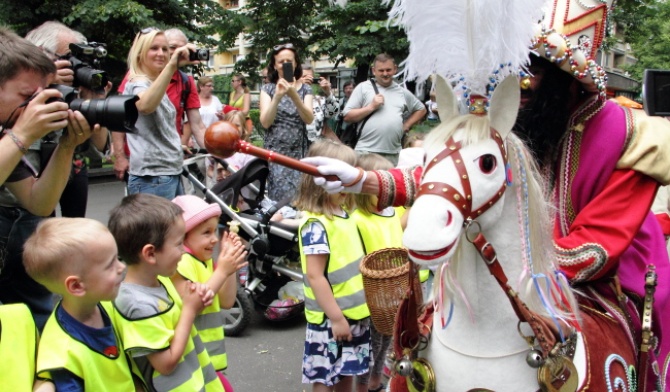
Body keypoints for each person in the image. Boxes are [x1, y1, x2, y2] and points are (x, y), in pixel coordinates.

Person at [305, 52, 670, 392]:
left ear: (567, 77)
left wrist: (514, 264)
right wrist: (363, 180)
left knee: (645, 332)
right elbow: (455, 176)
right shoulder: (516, 119)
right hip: (494, 256)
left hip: (601, 272)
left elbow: (600, 242)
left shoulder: (626, 131)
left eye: (531, 73)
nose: (517, 84)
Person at [0, 27, 100, 331]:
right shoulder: (14, 134)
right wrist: (23, 134)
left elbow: (39, 202)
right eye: (27, 96)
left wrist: (67, 145)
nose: (35, 106)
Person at [108, 193, 224, 392]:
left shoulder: (162, 281)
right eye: (179, 244)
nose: (183, 250)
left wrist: (196, 294)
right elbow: (165, 363)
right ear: (150, 253)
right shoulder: (137, 304)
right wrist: (189, 309)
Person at [22, 218, 136, 391]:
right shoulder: (63, 356)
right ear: (76, 286)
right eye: (110, 265)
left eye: (118, 258)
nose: (122, 266)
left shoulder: (104, 304)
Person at [293, 139, 371, 392]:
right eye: (339, 178)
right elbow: (315, 276)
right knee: (325, 376)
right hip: (331, 318)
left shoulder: (344, 214)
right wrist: (336, 318)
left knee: (347, 371)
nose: (346, 185)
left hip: (354, 312)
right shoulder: (316, 224)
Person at [24, 21, 111, 219]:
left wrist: (95, 101)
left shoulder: (74, 89)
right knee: (35, 225)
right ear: (39, 52)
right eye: (66, 58)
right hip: (29, 174)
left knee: (73, 230)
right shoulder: (15, 85)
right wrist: (43, 82)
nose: (73, 65)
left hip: (72, 164)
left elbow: (100, 144)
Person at [113, 28, 209, 182]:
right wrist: (119, 156)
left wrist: (217, 150)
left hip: (170, 164)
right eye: (172, 48)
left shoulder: (185, 81)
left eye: (181, 49)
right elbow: (119, 118)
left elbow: (197, 125)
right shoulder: (137, 79)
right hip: (146, 168)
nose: (175, 53)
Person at [171, 195, 247, 387]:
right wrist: (222, 271)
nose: (213, 239)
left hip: (210, 359)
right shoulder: (181, 262)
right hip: (192, 361)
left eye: (214, 231)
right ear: (184, 236)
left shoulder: (203, 260)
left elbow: (226, 302)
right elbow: (194, 305)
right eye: (206, 233)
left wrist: (228, 267)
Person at [350, 153, 403, 392]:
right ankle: (364, 385)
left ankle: (375, 384)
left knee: (386, 344)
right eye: (379, 189)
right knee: (370, 346)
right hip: (370, 296)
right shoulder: (357, 219)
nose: (386, 196)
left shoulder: (392, 214)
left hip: (393, 294)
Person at [342, 53, 426, 166]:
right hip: (366, 152)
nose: (385, 74)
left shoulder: (401, 92)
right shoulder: (363, 88)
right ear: (374, 71)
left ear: (395, 69)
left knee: (390, 184)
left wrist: (406, 125)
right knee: (366, 184)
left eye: (388, 70)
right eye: (381, 70)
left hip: (393, 153)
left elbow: (421, 109)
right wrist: (371, 107)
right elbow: (347, 116)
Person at [259, 43, 314, 201]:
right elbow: (265, 123)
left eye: (289, 61)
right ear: (275, 66)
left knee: (300, 199)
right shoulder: (268, 89)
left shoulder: (305, 89)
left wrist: (293, 94)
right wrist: (277, 96)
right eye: (281, 62)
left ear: (296, 63)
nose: (285, 65)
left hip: (299, 154)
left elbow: (309, 119)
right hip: (276, 155)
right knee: (280, 201)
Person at [301, 65, 339, 142]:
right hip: (295, 147)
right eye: (304, 76)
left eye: (310, 77)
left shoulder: (318, 100)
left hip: (316, 146)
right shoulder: (288, 99)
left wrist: (328, 93)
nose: (308, 79)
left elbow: (333, 113)